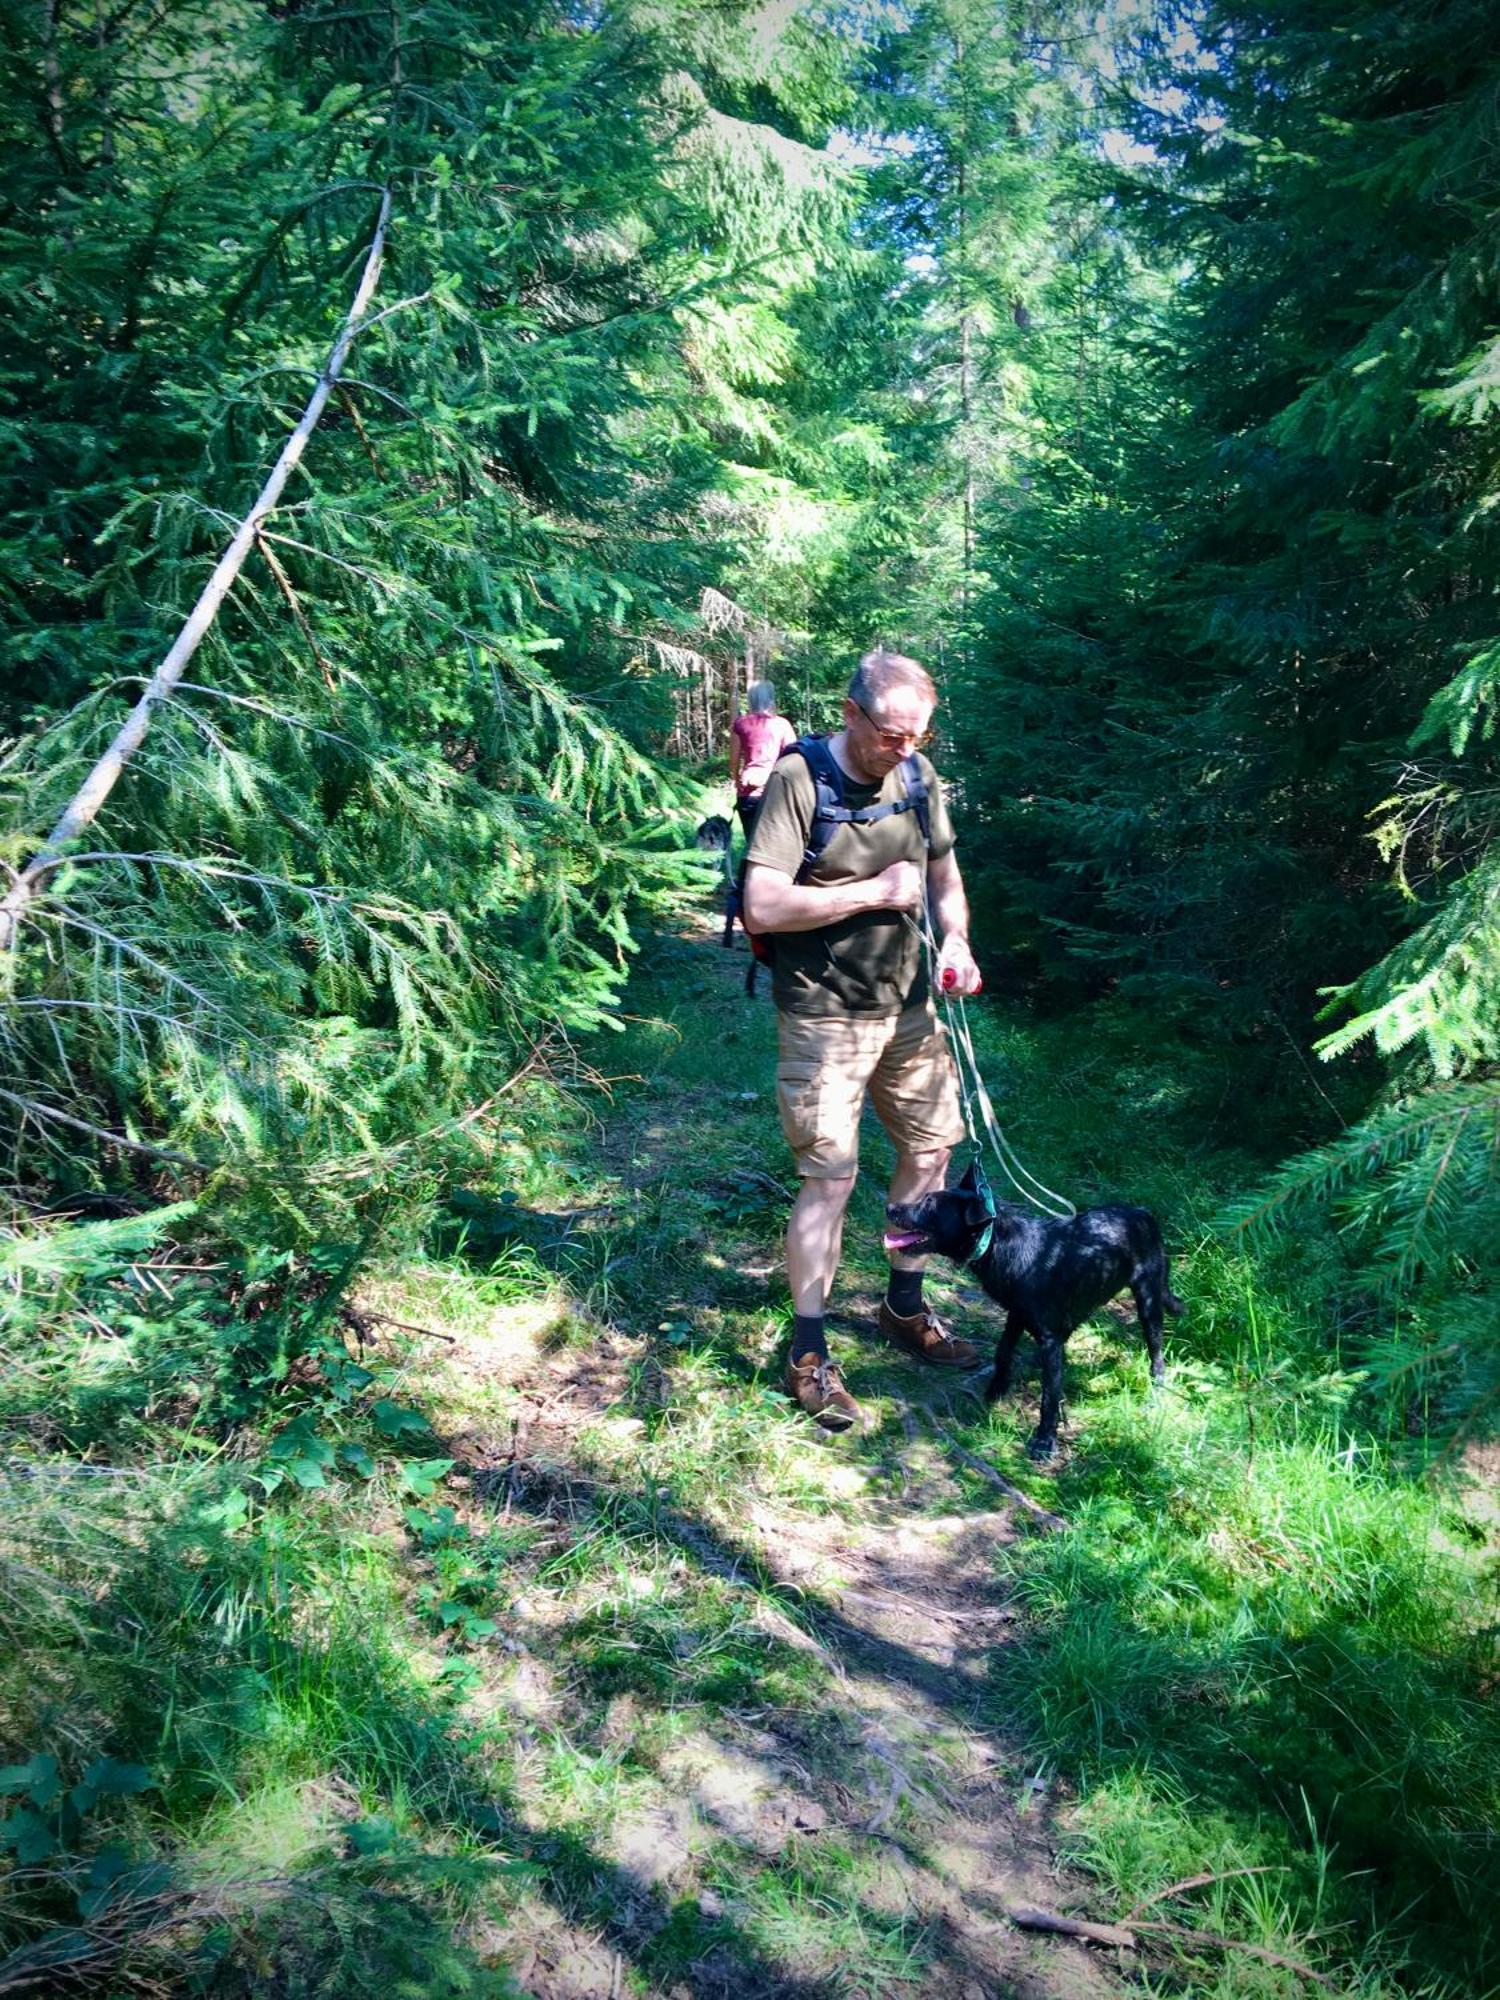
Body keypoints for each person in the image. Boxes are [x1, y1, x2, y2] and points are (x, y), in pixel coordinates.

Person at [742, 648, 983, 1430]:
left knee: (931, 1149)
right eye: (890, 735)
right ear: (850, 713)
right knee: (831, 1179)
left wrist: (957, 944)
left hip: (909, 1007)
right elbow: (765, 907)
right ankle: (807, 1356)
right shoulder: (798, 779)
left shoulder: (917, 778)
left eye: (918, 737)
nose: (903, 751)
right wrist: (873, 892)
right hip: (823, 1010)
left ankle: (902, 1310)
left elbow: (944, 875)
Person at [728, 681, 797, 841]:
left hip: (748, 791)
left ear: (752, 700)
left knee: (751, 842)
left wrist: (736, 780)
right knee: (774, 842)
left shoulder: (741, 724)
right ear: (771, 699)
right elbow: (793, 757)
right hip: (775, 792)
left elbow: (733, 760)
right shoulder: (783, 725)